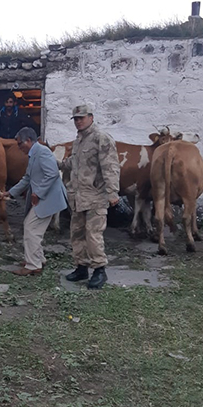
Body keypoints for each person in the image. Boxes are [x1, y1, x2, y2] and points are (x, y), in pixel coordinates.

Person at [60, 104, 120, 290]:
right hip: (78, 197)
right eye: (76, 118)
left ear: (91, 117)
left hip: (95, 196)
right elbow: (74, 163)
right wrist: (56, 163)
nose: (78, 121)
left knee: (93, 235)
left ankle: (99, 270)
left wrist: (113, 192)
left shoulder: (101, 138)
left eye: (82, 118)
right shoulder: (78, 141)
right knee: (76, 234)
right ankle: (81, 267)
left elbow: (110, 166)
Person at [2, 127, 67, 276]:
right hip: (45, 197)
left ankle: (33, 266)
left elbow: (52, 174)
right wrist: (10, 192)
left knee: (31, 228)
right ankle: (38, 259)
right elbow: (27, 178)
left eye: (20, 144)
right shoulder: (34, 154)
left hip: (48, 198)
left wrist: (38, 193)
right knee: (33, 229)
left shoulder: (42, 152)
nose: (19, 148)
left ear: (29, 141)